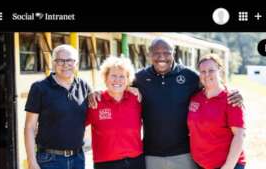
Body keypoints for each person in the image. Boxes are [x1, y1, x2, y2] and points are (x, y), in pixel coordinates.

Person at [89, 37, 243, 169]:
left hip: (184, 154)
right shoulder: (140, 78)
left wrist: (233, 92)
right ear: (150, 54)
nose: (161, 57)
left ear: (173, 53)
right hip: (151, 155)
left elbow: (211, 81)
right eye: (156, 53)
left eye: (166, 53)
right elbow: (117, 84)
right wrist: (97, 92)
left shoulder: (189, 76)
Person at [24, 44, 91, 169]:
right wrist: (31, 161)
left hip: (78, 159)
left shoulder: (84, 86)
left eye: (70, 60)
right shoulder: (39, 88)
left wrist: (130, 89)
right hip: (49, 160)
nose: (65, 65)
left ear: (76, 63)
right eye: (60, 61)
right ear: (53, 63)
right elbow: (30, 127)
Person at [85, 56, 145, 169]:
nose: (117, 80)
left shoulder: (136, 99)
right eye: (113, 76)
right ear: (105, 78)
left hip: (136, 162)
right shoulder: (95, 101)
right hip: (106, 164)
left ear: (128, 80)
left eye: (122, 76)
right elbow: (76, 126)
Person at [188, 54, 245, 169]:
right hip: (200, 164)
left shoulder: (231, 98)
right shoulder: (195, 98)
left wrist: (228, 166)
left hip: (227, 165)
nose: (207, 74)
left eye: (211, 70)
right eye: (203, 71)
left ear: (220, 71)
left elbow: (239, 135)